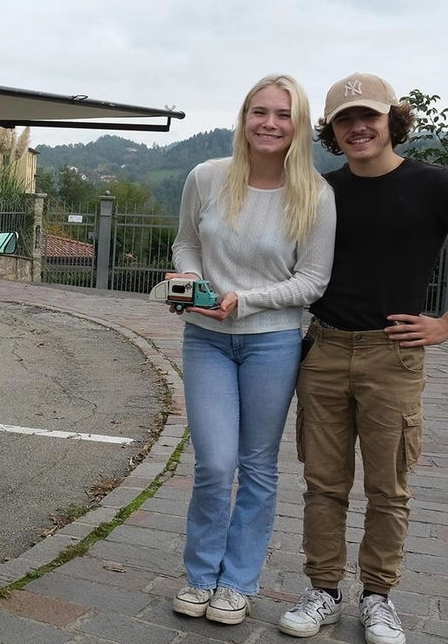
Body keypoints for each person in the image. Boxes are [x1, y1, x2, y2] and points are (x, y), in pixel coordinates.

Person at [278, 74, 448, 644]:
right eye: (344, 120)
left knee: (389, 488)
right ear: (331, 130)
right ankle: (322, 591)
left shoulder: (435, 185)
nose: (358, 128)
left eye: (368, 117)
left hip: (393, 356)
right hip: (324, 351)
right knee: (323, 483)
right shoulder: (321, 191)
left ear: (391, 121)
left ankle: (379, 597)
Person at [169, 74, 336, 625]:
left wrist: (246, 301)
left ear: (300, 125)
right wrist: (192, 283)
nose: (269, 123)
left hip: (272, 342)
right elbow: (187, 242)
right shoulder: (207, 177)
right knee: (215, 465)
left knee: (258, 466)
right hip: (206, 340)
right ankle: (200, 576)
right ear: (243, 118)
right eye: (259, 112)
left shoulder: (315, 194)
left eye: (283, 115)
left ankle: (238, 583)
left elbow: (312, 281)